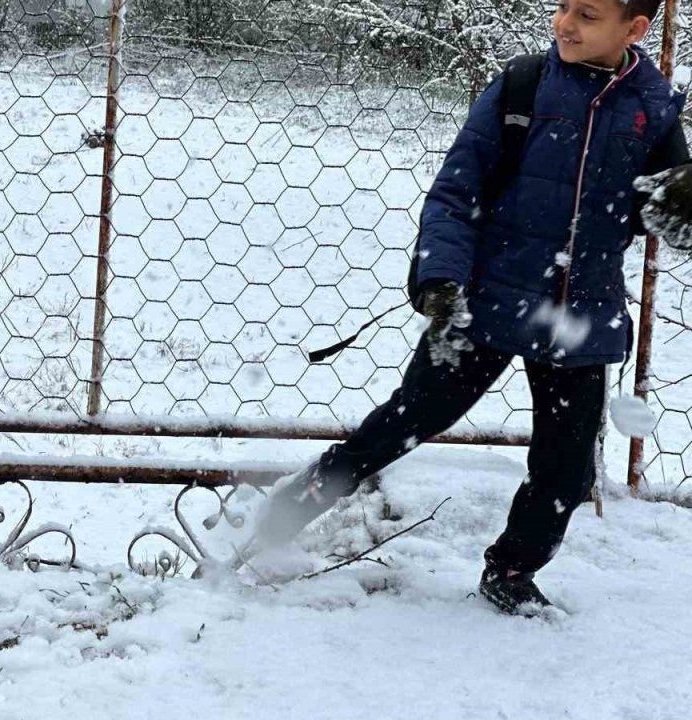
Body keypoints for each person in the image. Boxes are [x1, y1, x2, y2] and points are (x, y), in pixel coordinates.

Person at [250, 0, 689, 615]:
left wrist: (683, 203)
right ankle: (281, 517)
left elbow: (664, 217)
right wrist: (442, 275)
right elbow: (456, 190)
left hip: (579, 315)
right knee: (403, 423)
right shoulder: (523, 85)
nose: (565, 22)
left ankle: (511, 570)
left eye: (587, 15)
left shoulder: (653, 109)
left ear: (634, 29)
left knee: (565, 471)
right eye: (563, 6)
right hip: (483, 303)